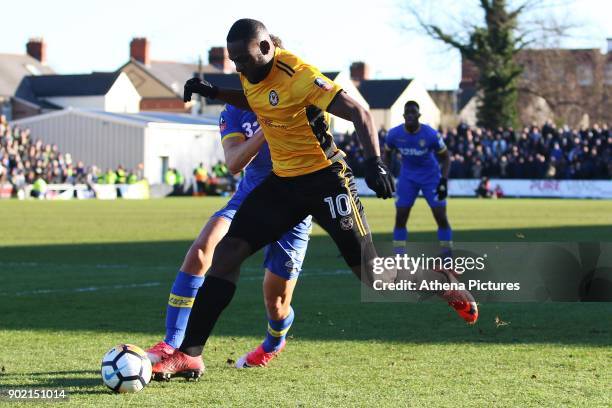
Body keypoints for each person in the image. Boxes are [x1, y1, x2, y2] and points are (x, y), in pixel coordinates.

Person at [152, 19, 476, 380]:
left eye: (244, 59)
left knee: (373, 275)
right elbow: (255, 97)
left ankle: (438, 280)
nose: (240, 67)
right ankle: (189, 354)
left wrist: (375, 162)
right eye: (234, 61)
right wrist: (214, 92)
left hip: (326, 181)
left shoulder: (300, 74)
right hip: (285, 183)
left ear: (266, 49)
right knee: (226, 254)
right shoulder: (251, 70)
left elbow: (359, 112)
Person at [385, 101, 453, 256]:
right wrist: (387, 173)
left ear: (418, 115)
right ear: (403, 116)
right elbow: (387, 153)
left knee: (440, 217)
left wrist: (443, 181)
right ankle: (399, 257)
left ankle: (447, 256)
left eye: (413, 112)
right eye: (407, 112)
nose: (409, 115)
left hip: (431, 177)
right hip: (407, 177)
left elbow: (447, 158)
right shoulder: (394, 134)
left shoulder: (430, 134)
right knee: (400, 217)